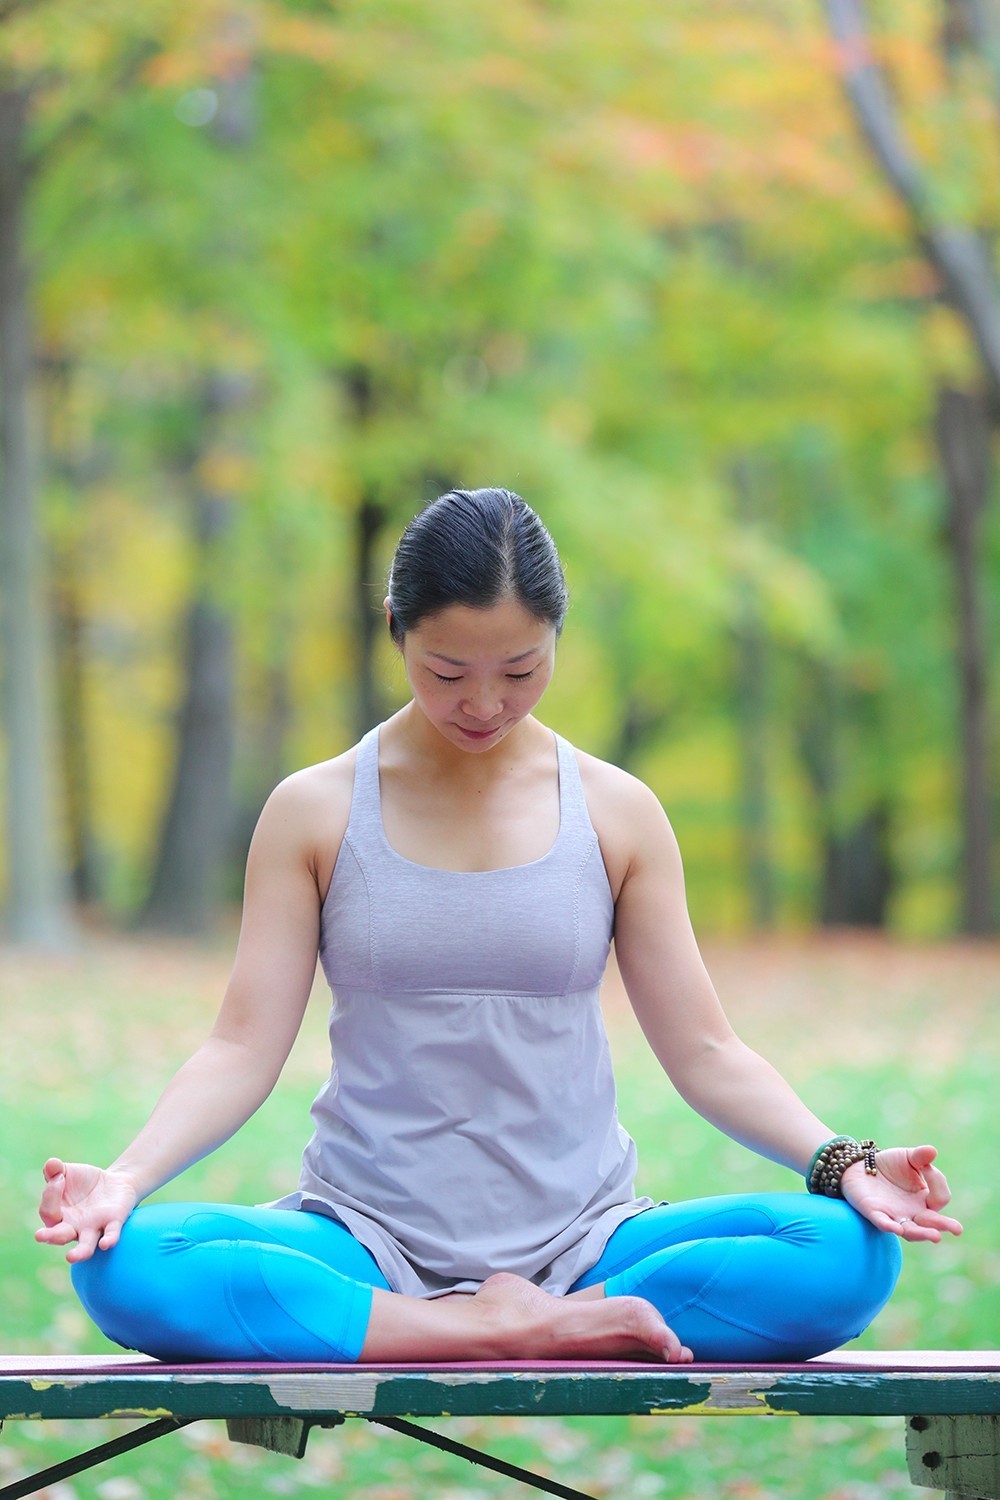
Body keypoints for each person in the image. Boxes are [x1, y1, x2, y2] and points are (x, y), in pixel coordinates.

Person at [37, 487, 961, 1367]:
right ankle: (509, 1330)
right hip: (367, 1243)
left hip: (591, 1244)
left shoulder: (617, 811)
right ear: (396, 627)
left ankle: (524, 1314)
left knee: (849, 1252)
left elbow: (708, 1050)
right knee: (128, 1263)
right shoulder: (313, 811)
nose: (484, 705)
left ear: (558, 636)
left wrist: (843, 1161)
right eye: (448, 672)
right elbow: (241, 1047)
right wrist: (124, 1178)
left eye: (520, 670)